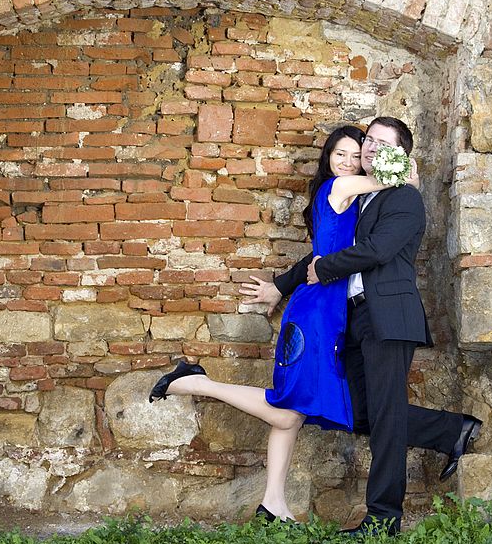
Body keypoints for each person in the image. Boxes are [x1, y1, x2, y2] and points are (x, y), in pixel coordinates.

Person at [149, 125, 408, 522]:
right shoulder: (339, 190)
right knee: (287, 410)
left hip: (328, 310)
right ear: (327, 158)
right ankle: (194, 382)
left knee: (294, 412)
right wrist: (406, 168)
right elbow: (395, 177)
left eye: (356, 156)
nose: (349, 162)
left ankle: (273, 503)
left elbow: (320, 254)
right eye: (341, 154)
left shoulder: (354, 199)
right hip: (316, 313)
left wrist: (279, 286)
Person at [242, 116, 482, 535]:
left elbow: (378, 250)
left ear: (400, 155)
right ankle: (451, 430)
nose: (370, 148)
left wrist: (325, 270)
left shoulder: (404, 198)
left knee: (385, 419)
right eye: (367, 140)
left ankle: (383, 520)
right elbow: (325, 251)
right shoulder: (360, 199)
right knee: (356, 411)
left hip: (388, 317)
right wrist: (285, 283)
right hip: (352, 319)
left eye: (381, 144)